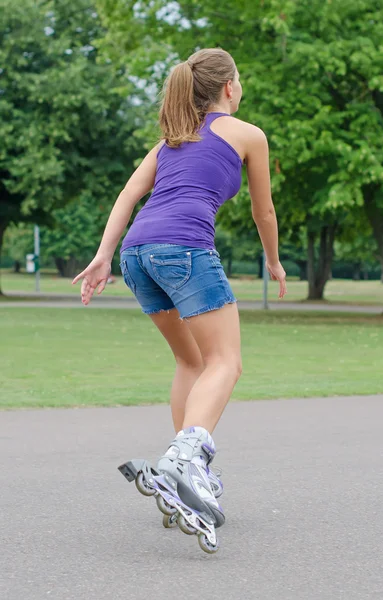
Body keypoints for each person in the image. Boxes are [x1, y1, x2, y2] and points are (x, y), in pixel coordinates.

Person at [72, 48, 286, 553]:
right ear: (229, 87)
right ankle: (184, 461)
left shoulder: (170, 140)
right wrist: (274, 262)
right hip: (184, 248)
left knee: (191, 360)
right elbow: (265, 211)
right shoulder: (248, 134)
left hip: (137, 254)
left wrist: (105, 256)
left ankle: (186, 470)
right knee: (226, 362)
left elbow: (128, 195)